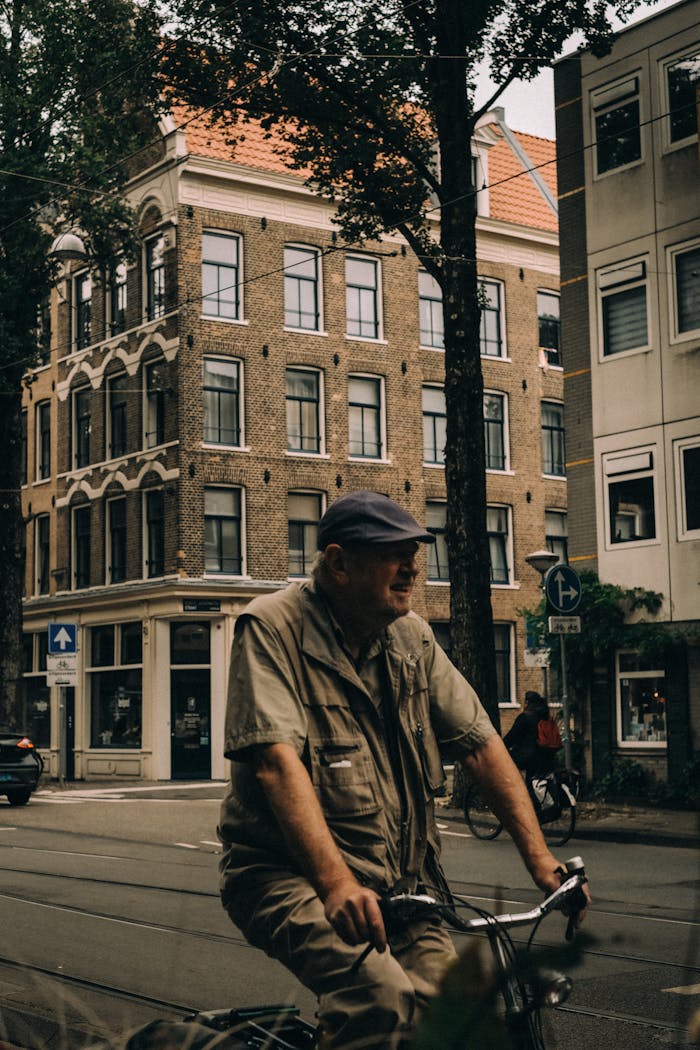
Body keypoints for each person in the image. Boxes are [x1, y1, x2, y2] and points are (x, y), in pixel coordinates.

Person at [218, 491, 588, 1049]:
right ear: (340, 564)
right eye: (395, 553)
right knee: (379, 997)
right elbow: (276, 764)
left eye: (416, 552)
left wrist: (542, 863)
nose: (414, 567)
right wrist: (337, 884)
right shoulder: (272, 629)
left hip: (403, 891)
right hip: (287, 876)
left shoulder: (411, 637)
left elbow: (483, 747)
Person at [504, 690, 561, 778]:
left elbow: (512, 737)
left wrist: (502, 745)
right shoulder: (546, 717)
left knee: (507, 760)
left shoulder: (524, 717)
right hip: (549, 756)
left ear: (527, 702)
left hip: (529, 757)